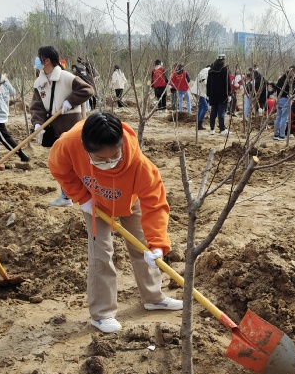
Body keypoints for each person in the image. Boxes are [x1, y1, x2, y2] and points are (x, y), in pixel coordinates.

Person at [48, 112, 183, 333]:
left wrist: (157, 243)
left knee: (143, 247)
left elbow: (155, 203)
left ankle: (153, 297)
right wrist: (82, 197)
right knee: (101, 253)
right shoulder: (68, 144)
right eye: (100, 159)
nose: (109, 163)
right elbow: (58, 168)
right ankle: (102, 313)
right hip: (95, 202)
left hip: (129, 199)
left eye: (114, 156)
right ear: (85, 148)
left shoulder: (138, 163)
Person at [30, 45, 93, 207]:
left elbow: (88, 90)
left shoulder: (66, 77)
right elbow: (37, 105)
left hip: (71, 124)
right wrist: (37, 123)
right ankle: (66, 196)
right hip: (53, 126)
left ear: (47, 60)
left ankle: (89, 194)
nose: (37, 62)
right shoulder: (39, 82)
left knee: (79, 162)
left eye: (39, 58)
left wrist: (69, 102)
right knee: (61, 163)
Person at [0, 55, 30, 163]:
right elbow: (12, 92)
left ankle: (21, 154)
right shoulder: (2, 77)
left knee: (4, 138)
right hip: (3, 110)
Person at [272, 66, 295, 141]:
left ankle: (276, 134)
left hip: (279, 99)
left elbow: (276, 88)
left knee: (278, 117)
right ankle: (282, 135)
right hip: (286, 99)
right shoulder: (289, 81)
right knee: (284, 118)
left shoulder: (281, 79)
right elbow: (291, 91)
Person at [207, 55, 230, 136]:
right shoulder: (224, 70)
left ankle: (212, 129)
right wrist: (229, 94)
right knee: (221, 113)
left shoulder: (210, 70)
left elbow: (208, 84)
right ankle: (222, 129)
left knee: (213, 112)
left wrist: (208, 94)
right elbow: (227, 83)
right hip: (222, 94)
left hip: (213, 95)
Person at [192, 62, 210, 130]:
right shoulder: (206, 72)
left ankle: (198, 123)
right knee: (205, 107)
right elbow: (205, 82)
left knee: (200, 107)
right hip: (199, 92)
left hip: (197, 91)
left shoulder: (203, 71)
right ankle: (199, 124)